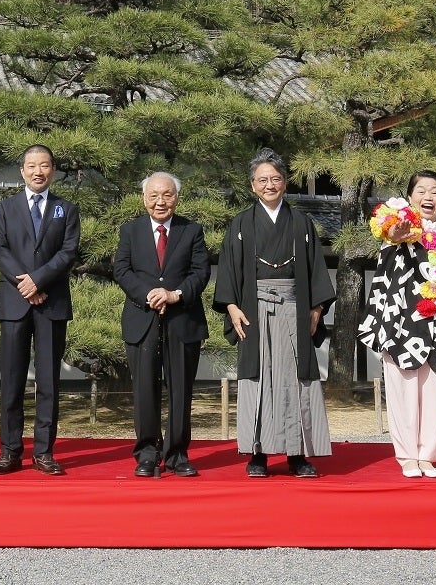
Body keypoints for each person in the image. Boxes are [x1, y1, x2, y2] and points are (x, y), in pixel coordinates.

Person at [214, 148, 335, 479]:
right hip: (253, 309)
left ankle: (297, 454)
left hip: (295, 307)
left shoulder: (301, 222)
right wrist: (232, 306)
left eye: (276, 179)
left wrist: (317, 307)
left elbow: (316, 268)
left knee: (296, 380)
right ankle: (258, 453)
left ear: (285, 182)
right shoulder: (241, 223)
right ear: (253, 185)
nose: (270, 185)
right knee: (259, 380)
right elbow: (227, 268)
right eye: (262, 180)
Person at [359, 170, 436, 478]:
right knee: (403, 389)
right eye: (421, 190)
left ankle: (428, 457)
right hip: (402, 317)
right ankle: (408, 456)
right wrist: (399, 231)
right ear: (410, 196)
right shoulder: (395, 219)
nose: (428, 196)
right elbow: (392, 235)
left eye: (435, 191)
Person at [112, 172, 211, 478]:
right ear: (144, 198)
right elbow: (121, 269)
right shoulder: (130, 230)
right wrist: (149, 295)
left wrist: (174, 294)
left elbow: (200, 272)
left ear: (176, 198)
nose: (160, 201)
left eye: (167, 195)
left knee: (181, 390)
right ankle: (146, 454)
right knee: (144, 390)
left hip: (183, 320)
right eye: (154, 195)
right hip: (142, 319)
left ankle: (178, 454)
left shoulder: (191, 230)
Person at [0, 144, 80, 476]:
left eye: (44, 165)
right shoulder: (5, 208)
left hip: (51, 303)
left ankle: (44, 451)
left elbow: (68, 252)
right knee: (11, 380)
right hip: (15, 304)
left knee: (48, 382)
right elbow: (0, 250)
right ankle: (9, 450)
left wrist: (38, 282)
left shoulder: (66, 209)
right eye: (31, 165)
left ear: (53, 170)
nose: (38, 171)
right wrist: (25, 285)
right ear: (22, 171)